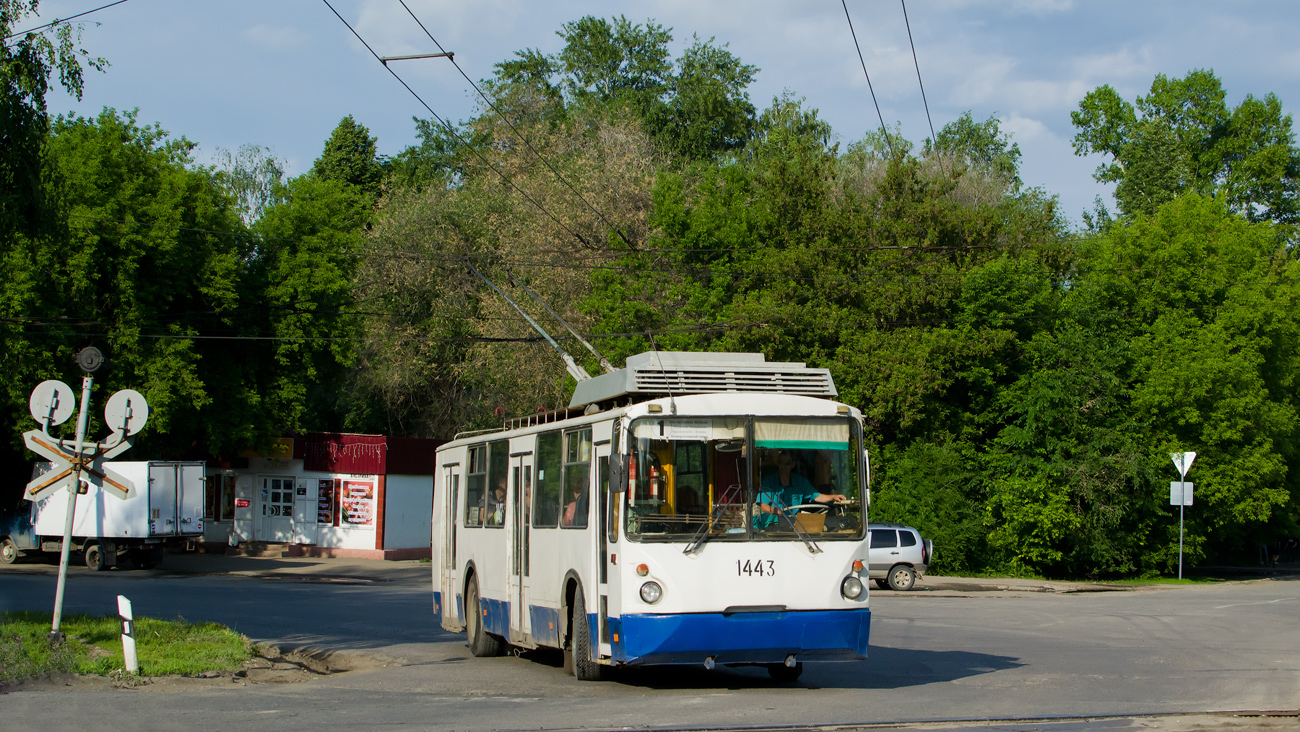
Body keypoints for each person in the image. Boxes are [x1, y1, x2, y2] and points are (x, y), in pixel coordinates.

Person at [754, 449, 848, 530]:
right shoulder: (768, 481)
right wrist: (776, 511)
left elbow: (817, 496)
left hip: (794, 526)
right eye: (780, 463)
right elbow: (764, 506)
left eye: (787, 464)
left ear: (793, 465)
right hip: (771, 524)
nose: (783, 467)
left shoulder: (800, 482)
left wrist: (834, 497)